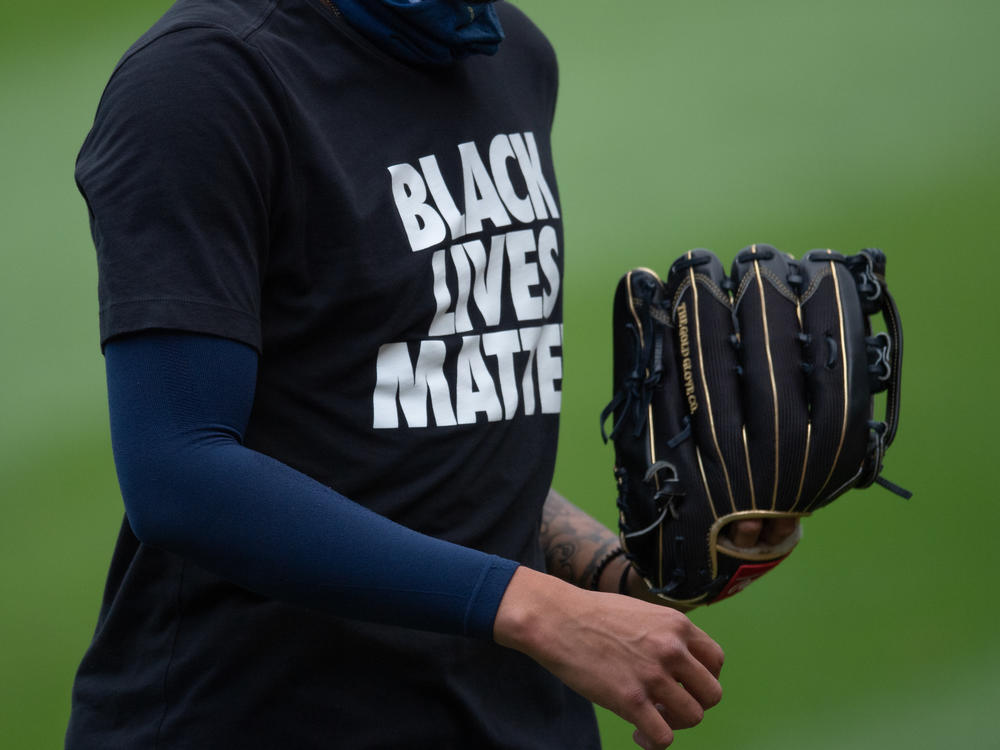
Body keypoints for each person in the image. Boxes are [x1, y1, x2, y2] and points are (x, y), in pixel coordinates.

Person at [66, 1, 791, 748]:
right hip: (255, 719)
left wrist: (626, 573)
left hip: (519, 723)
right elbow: (177, 472)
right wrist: (539, 610)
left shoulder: (508, 57)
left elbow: (431, 430)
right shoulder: (203, 83)